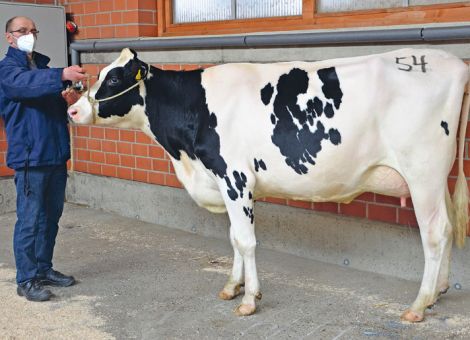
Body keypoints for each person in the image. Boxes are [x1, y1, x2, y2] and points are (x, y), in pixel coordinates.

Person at [0, 16, 86, 301]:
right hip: (30, 159)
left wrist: (68, 101)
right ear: (9, 38)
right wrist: (61, 75)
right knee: (29, 221)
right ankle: (26, 279)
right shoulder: (7, 71)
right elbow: (21, 86)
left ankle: (43, 268)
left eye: (33, 31)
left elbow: (48, 101)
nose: (29, 35)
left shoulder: (44, 69)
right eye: (22, 31)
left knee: (51, 218)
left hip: (54, 156)